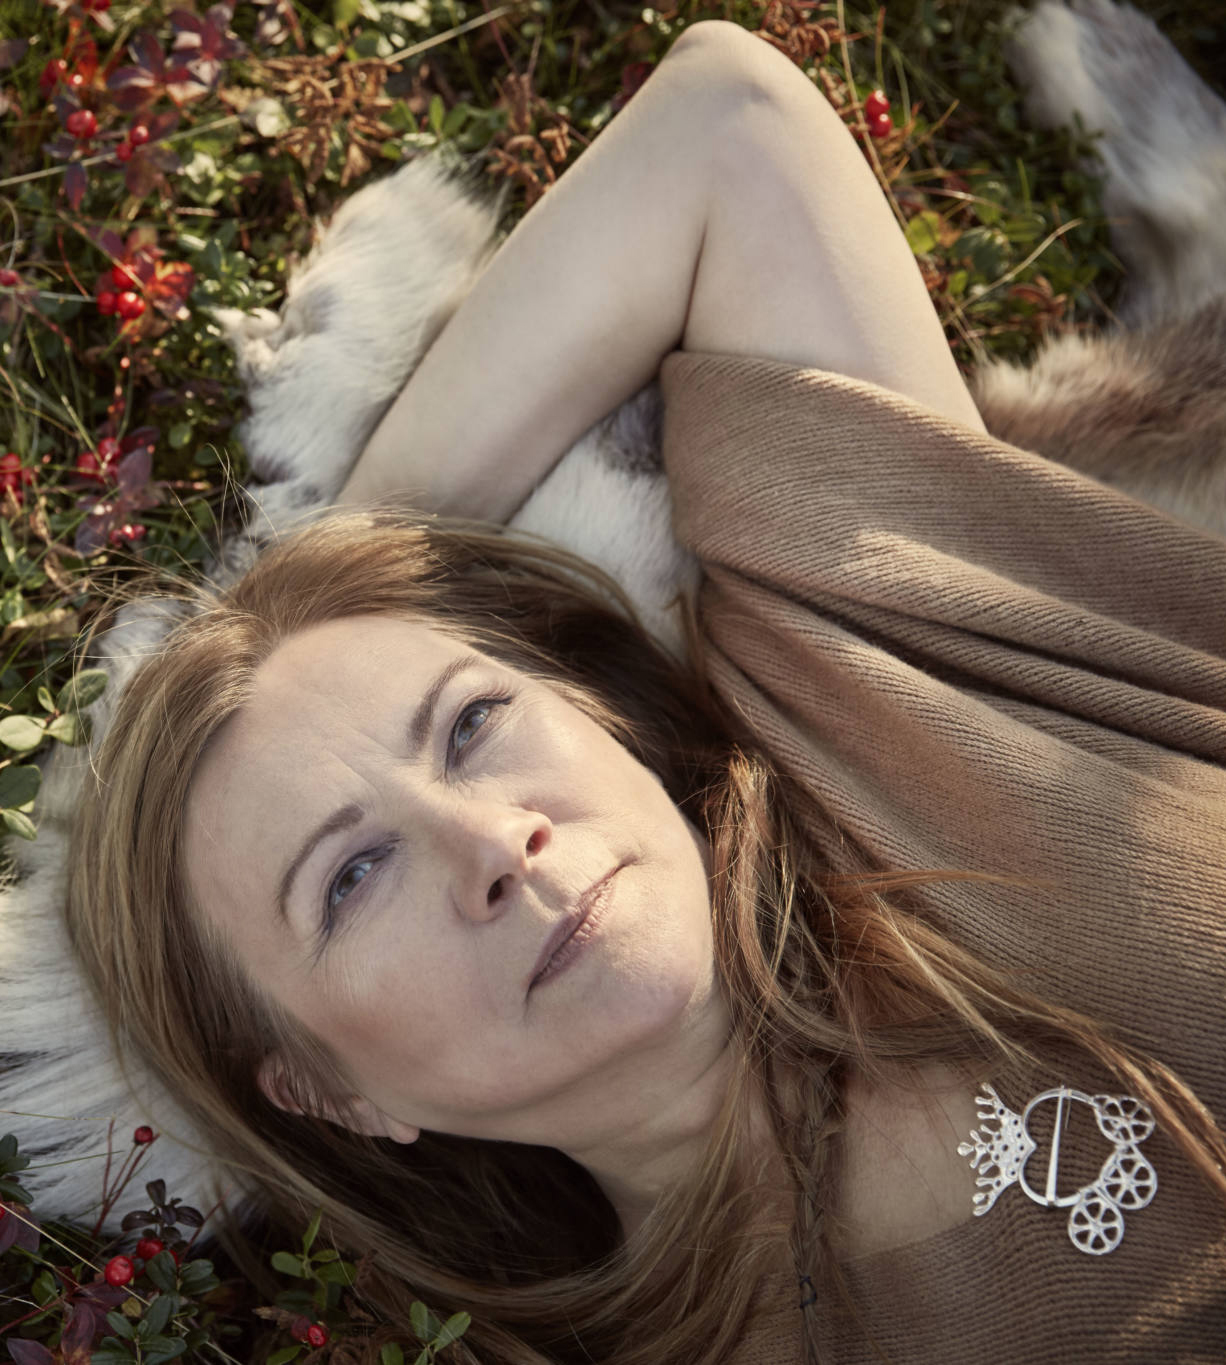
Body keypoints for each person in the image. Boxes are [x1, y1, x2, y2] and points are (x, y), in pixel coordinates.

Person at [65, 19, 1226, 1364]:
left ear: (607, 718)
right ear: (330, 1091)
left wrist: (330, 570)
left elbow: (726, 131)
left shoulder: (881, 708)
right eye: (347, 876)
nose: (492, 840)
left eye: (473, 721)